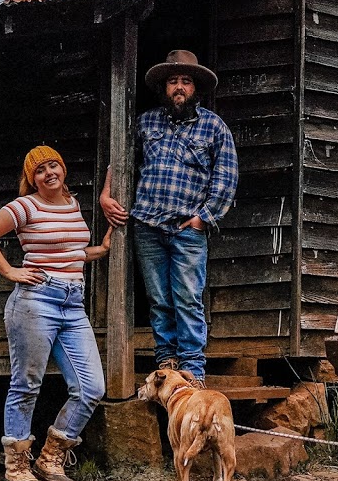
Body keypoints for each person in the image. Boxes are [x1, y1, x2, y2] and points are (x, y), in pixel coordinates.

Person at [0, 146, 112, 481]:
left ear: (63, 169)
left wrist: (101, 250)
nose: (49, 173)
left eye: (54, 166)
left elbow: (70, 252)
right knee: (26, 384)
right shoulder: (26, 205)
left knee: (92, 387)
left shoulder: (73, 204)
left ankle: (50, 459)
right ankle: (16, 466)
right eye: (40, 170)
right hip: (36, 302)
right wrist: (11, 272)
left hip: (72, 303)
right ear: (31, 178)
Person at [101, 49, 238, 388]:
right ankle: (166, 359)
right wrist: (106, 193)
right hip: (147, 224)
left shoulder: (213, 126)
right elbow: (120, 162)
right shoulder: (146, 123)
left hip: (186, 228)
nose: (179, 87)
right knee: (159, 299)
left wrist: (203, 218)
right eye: (173, 81)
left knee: (188, 298)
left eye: (186, 82)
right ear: (164, 88)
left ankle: (192, 369)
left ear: (196, 89)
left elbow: (227, 176)